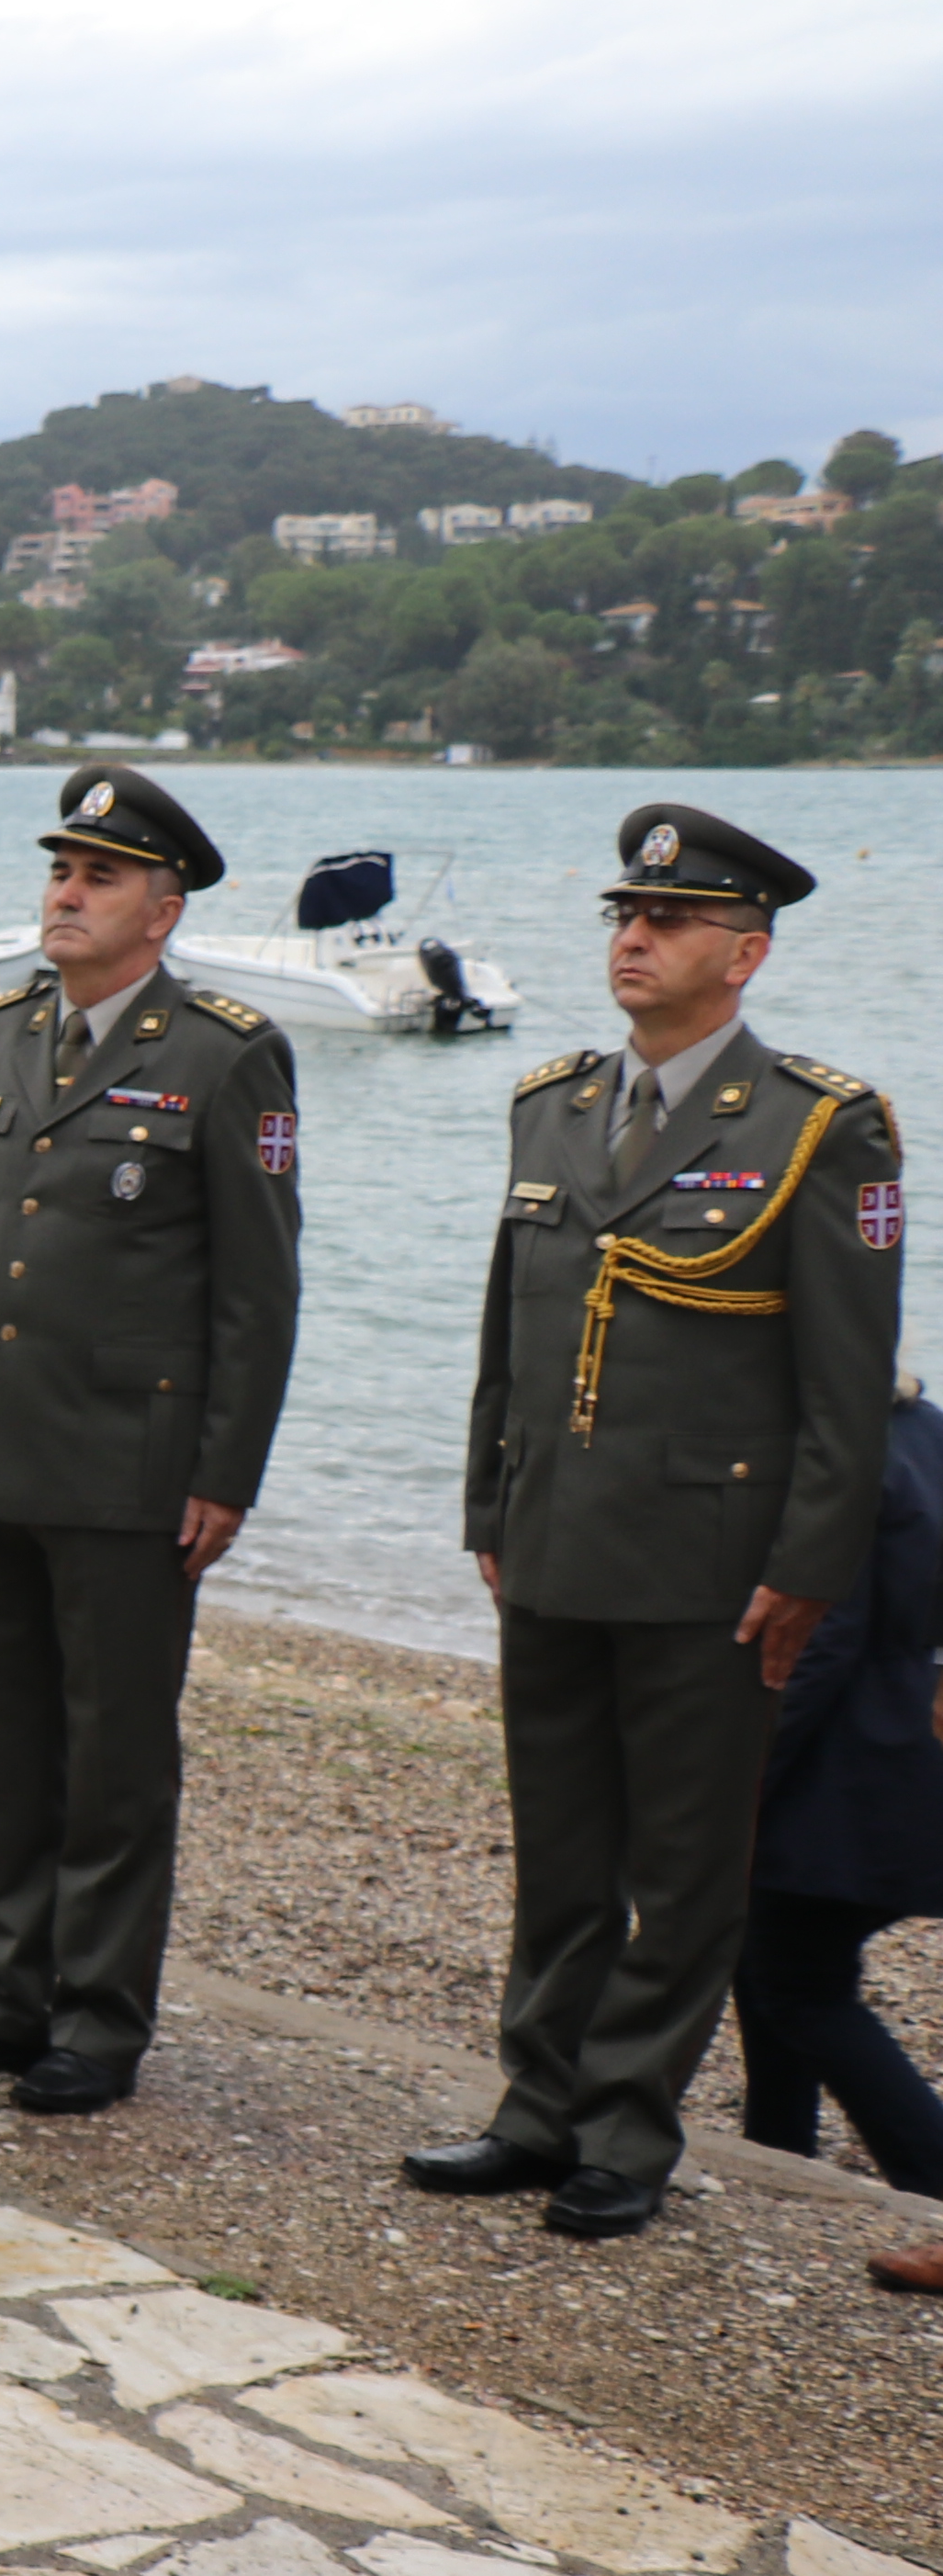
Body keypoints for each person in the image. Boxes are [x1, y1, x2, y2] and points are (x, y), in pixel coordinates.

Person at [409, 804, 903, 2242]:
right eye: (626, 915)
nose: (634, 937)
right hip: (555, 1541)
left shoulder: (824, 1126)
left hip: (711, 1565)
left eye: (672, 921)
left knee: (682, 1870)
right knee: (562, 1853)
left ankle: (627, 2132)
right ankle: (533, 2109)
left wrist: (812, 1568)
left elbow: (846, 1381)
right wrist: (487, 1506)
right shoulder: (552, 1105)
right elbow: (510, 1331)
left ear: (744, 953)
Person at [0, 763, 300, 2118]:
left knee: (113, 1757)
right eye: (61, 871)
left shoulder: (224, 1055)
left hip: (130, 1465)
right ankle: (6, 1991)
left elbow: (257, 1289)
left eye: (101, 877)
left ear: (162, 910)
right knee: (2, 1743)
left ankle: (101, 2017)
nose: (66, 894)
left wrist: (225, 1473)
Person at [749, 1382, 943, 2256]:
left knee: (799, 1981)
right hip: (910, 1740)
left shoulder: (845, 1460)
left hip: (860, 1762)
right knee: (768, 1950)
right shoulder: (925, 1430)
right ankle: (773, 2157)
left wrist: (741, 1781)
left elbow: (820, 1637)